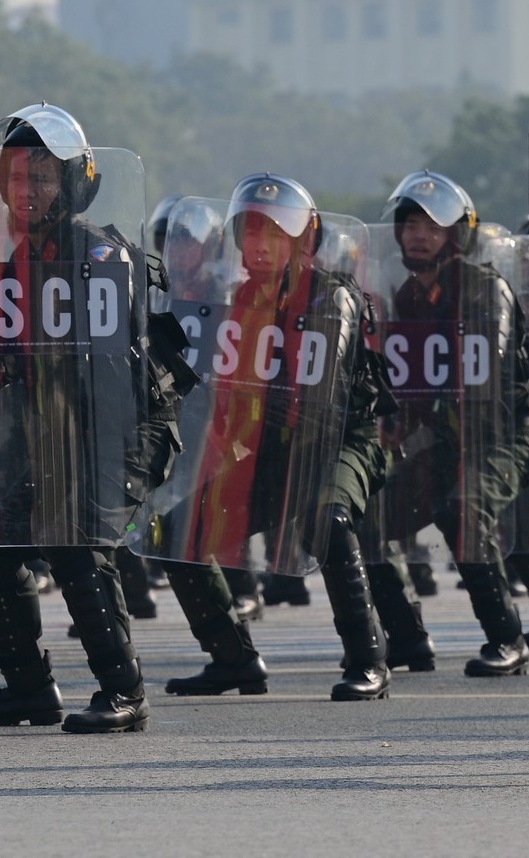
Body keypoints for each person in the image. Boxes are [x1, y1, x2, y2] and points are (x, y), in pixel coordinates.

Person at [0, 106, 183, 734]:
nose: (28, 190)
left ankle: (124, 690)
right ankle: (27, 689)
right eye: (17, 177)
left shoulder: (101, 254)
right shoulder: (8, 261)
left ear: (73, 184)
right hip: (49, 433)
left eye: (43, 178)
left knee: (74, 541)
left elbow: (101, 369)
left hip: (121, 430)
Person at [155, 175, 398, 702]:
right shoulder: (240, 296)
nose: (259, 246)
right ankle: (233, 659)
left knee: (326, 517)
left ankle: (369, 660)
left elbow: (322, 402)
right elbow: (230, 390)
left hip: (344, 440)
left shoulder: (332, 299)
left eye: (273, 234)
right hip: (269, 444)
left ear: (300, 241)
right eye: (250, 233)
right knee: (178, 535)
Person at [369, 170, 529, 678]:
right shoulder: (409, 299)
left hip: (504, 434)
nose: (418, 234)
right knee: (370, 519)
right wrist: (395, 418)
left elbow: (485, 384)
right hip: (449, 437)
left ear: (456, 234)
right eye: (410, 224)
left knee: (466, 510)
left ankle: (507, 639)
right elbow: (411, 380)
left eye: (433, 226)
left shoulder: (485, 290)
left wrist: (423, 414)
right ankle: (408, 638)